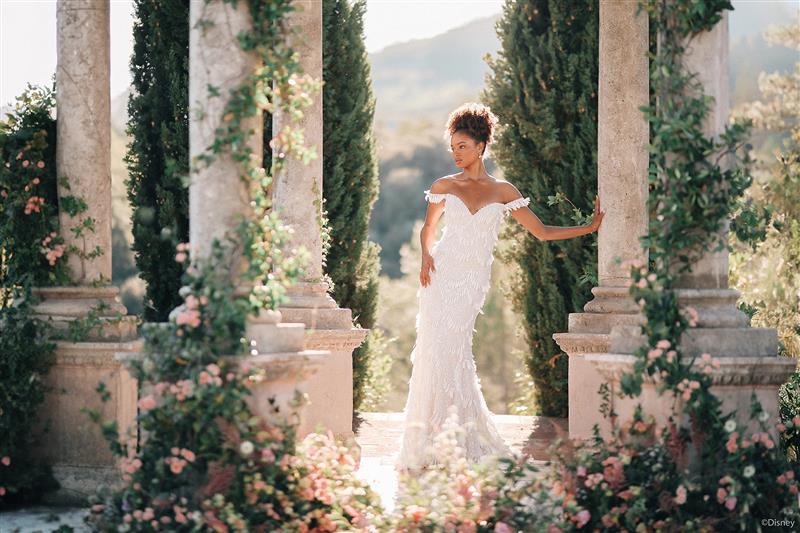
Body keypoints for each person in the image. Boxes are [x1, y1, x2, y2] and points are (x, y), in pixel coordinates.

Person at [394, 102, 604, 473]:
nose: (456, 153)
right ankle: (433, 437)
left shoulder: (504, 191)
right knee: (435, 349)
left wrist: (587, 228)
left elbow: (540, 231)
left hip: (472, 281)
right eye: (453, 147)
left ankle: (461, 434)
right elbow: (429, 230)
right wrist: (426, 256)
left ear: (480, 146)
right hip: (441, 277)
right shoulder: (444, 186)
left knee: (456, 348)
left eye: (462, 146)